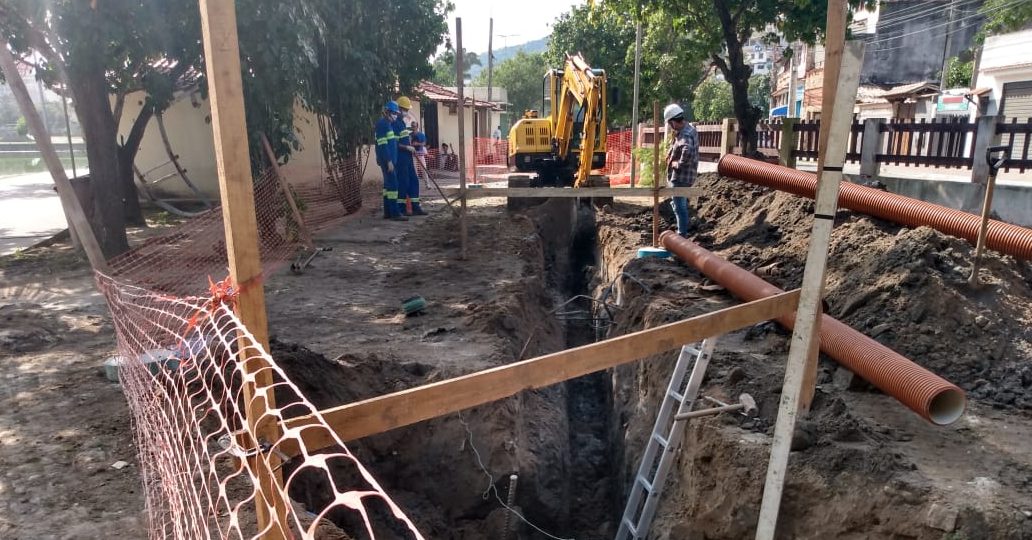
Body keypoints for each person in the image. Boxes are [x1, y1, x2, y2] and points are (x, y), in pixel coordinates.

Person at [663, 103, 699, 237]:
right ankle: (682, 228)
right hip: (685, 176)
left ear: (673, 122)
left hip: (681, 177)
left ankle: (681, 234)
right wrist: (671, 152)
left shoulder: (685, 135)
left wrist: (675, 164)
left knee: (680, 207)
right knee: (678, 203)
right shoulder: (688, 129)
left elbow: (687, 151)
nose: (671, 127)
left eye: (670, 124)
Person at [394, 96, 426, 216]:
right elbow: (395, 143)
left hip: (408, 157)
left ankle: (415, 206)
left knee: (414, 180)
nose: (406, 112)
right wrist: (407, 147)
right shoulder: (395, 124)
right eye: (405, 109)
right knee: (403, 182)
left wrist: (410, 147)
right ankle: (401, 209)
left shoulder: (402, 123)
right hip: (401, 158)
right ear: (399, 109)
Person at [374, 100, 406, 221]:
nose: (395, 115)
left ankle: (388, 212)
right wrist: (388, 161)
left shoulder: (387, 124)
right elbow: (382, 144)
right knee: (393, 185)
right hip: (388, 161)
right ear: (387, 112)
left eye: (396, 113)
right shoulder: (382, 124)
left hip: (390, 160)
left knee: (388, 186)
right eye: (393, 113)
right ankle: (395, 213)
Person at [410, 121, 430, 189]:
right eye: (412, 126)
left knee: (424, 169)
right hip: (413, 155)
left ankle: (427, 184)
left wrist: (417, 144)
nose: (413, 128)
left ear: (417, 126)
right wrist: (412, 145)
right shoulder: (410, 135)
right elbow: (409, 143)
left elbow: (424, 143)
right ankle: (415, 185)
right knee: (414, 171)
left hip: (421, 155)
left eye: (414, 126)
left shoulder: (421, 134)